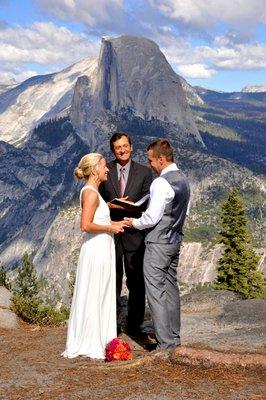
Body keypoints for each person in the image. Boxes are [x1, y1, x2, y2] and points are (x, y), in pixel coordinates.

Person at [124, 139, 190, 350]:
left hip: (159, 242)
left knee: (155, 291)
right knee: (170, 288)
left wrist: (133, 221)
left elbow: (151, 218)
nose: (150, 164)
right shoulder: (184, 180)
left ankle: (164, 343)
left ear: (161, 160)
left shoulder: (161, 183)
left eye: (151, 160)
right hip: (175, 240)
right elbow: (184, 212)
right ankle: (174, 337)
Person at [62, 153, 126, 360]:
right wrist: (111, 227)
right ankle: (91, 340)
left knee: (100, 291)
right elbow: (85, 225)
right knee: (96, 291)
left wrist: (112, 206)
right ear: (95, 170)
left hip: (101, 248)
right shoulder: (89, 193)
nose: (107, 169)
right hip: (97, 250)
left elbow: (97, 211)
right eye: (104, 166)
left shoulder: (93, 193)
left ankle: (99, 337)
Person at [99, 132, 153, 337]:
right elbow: (96, 200)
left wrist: (134, 207)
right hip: (111, 234)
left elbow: (149, 201)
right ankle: (110, 326)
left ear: (131, 147)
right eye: (117, 148)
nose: (121, 150)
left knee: (136, 282)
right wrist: (109, 205)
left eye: (124, 146)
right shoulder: (106, 170)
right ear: (112, 150)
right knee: (112, 279)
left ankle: (134, 326)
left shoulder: (144, 172)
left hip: (134, 234)